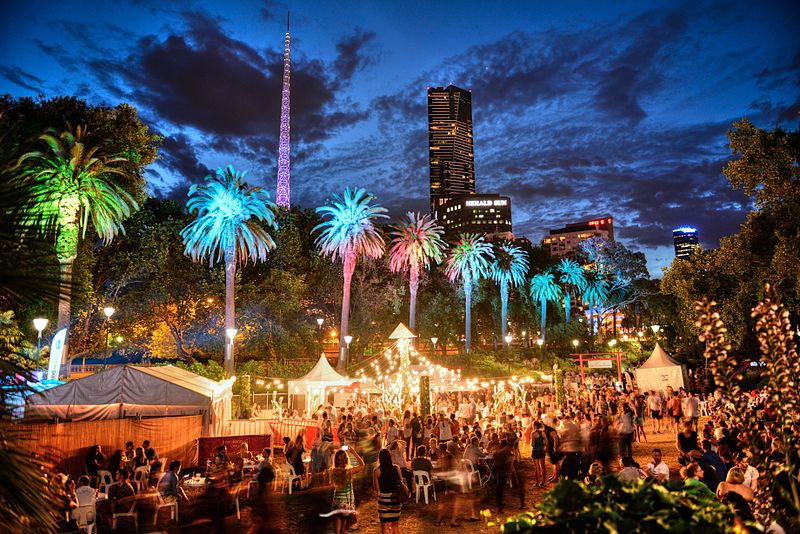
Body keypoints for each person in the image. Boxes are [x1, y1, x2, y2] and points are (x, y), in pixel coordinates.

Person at [328, 448, 364, 534]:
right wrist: (354, 452)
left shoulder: (332, 471)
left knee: (336, 529)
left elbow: (331, 485)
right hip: (346, 504)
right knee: (344, 529)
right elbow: (362, 465)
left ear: (336, 460)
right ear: (346, 459)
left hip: (336, 502)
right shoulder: (349, 472)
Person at [373, 448, 406, 533]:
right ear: (389, 457)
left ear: (379, 458)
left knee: (384, 527)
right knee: (395, 525)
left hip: (383, 501)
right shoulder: (396, 468)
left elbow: (376, 489)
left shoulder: (377, 471)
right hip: (396, 500)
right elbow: (400, 482)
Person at [531, 421, 547, 487]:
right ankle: (543, 482)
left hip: (536, 451)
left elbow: (533, 444)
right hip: (542, 451)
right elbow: (546, 442)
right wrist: (544, 446)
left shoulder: (533, 433)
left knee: (537, 467)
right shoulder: (542, 432)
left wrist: (531, 442)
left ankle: (537, 482)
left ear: (535, 425)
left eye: (532, 425)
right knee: (543, 466)